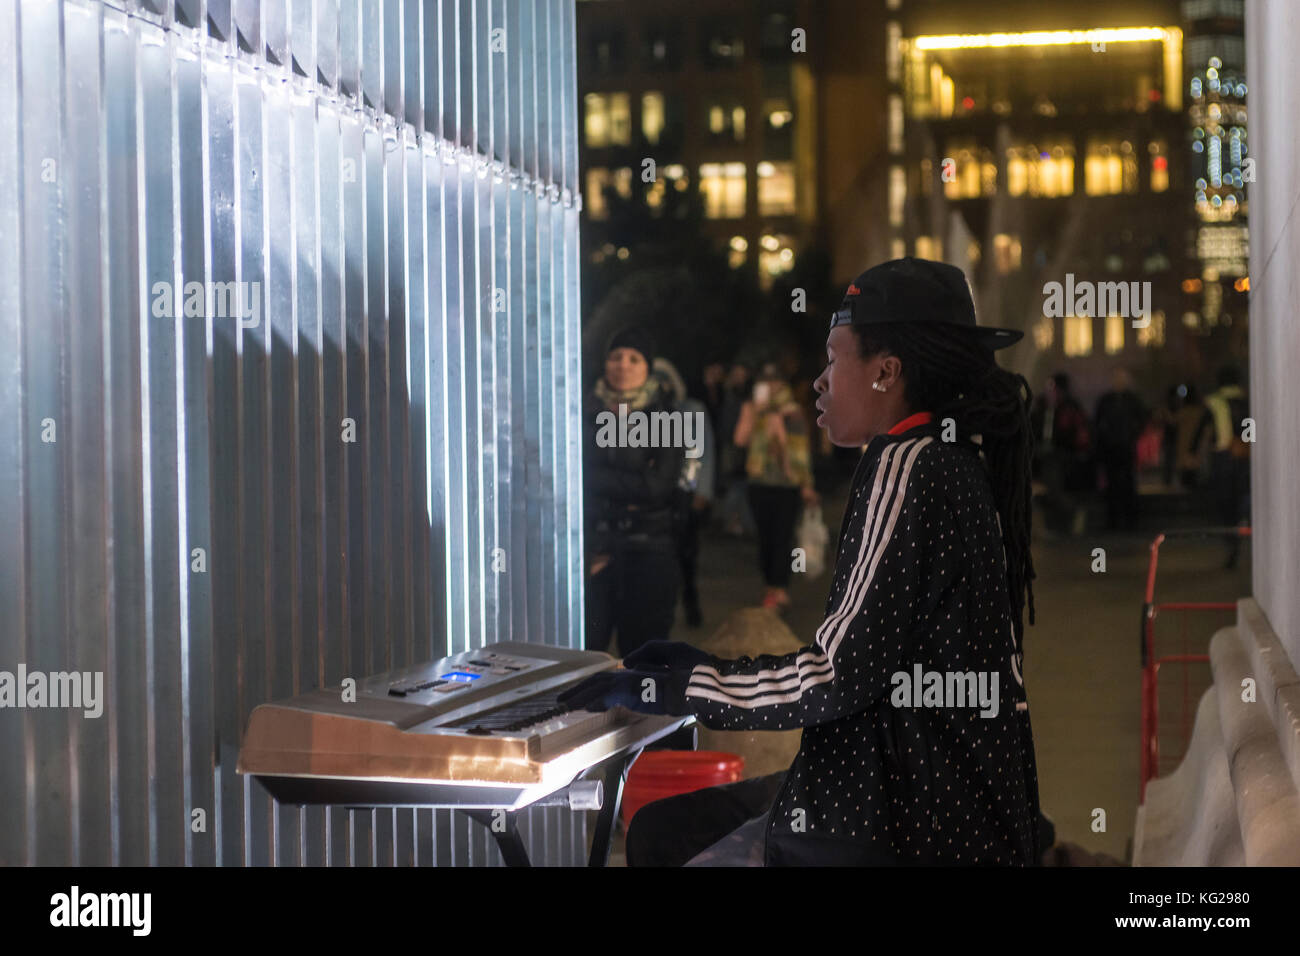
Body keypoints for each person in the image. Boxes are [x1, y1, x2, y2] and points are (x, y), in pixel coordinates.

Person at [561, 258, 1042, 866]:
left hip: (905, 822)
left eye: (835, 359)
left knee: (665, 837)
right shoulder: (956, 459)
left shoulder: (906, 465)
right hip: (949, 807)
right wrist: (704, 668)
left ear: (886, 373)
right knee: (665, 826)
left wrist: (679, 686)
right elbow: (862, 663)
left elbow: (835, 677)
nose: (818, 381)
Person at [583, 327, 685, 657]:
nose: (622, 365)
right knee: (583, 655)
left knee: (645, 660)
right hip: (594, 552)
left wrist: (592, 477)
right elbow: (564, 475)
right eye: (615, 357)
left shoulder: (665, 416)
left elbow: (658, 487)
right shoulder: (583, 409)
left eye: (633, 358)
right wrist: (632, 482)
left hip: (648, 552)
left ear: (647, 367)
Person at [733, 364, 818, 612]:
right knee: (765, 538)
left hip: (787, 485)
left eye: (775, 381)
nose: (770, 386)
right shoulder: (754, 409)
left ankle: (780, 588)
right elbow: (740, 440)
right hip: (759, 482)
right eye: (765, 381)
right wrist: (750, 414)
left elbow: (797, 455)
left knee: (783, 537)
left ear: (783, 384)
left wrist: (806, 485)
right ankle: (769, 585)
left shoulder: (793, 413)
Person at [653, 357, 716, 628]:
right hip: (658, 495)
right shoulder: (646, 413)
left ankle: (692, 604)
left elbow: (705, 452)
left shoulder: (693, 410)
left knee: (687, 555)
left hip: (685, 492)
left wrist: (702, 490)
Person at [1193, 365, 1251, 568]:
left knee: (1225, 501)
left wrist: (1193, 452)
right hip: (1244, 456)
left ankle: (1231, 540)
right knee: (1240, 497)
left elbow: (1202, 429)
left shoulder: (1214, 402)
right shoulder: (1246, 401)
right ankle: (1241, 525)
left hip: (1223, 457)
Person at [1030, 373, 1092, 536]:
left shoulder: (1070, 408)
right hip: (1040, 454)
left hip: (1061, 455)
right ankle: (1046, 525)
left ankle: (1074, 512)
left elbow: (1077, 432)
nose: (1049, 390)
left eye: (1052, 387)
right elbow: (1033, 426)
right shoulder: (1042, 406)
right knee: (1039, 489)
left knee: (1053, 489)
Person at [1093, 367, 1148, 530]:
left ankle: (1130, 520)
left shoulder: (1132, 400)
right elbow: (1097, 422)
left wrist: (1132, 434)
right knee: (1112, 484)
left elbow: (1142, 420)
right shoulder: (1106, 400)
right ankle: (1114, 520)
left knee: (1128, 483)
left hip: (1125, 446)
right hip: (1111, 448)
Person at [1174, 383, 1207, 490]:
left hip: (1186, 447)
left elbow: (1172, 420)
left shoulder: (1184, 412)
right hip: (1196, 447)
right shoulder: (1201, 412)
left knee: (1186, 479)